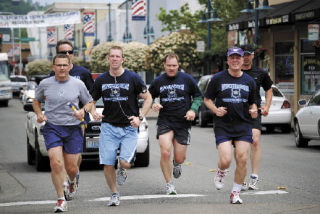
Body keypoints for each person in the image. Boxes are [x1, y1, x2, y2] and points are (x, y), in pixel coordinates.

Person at [89, 46, 152, 206]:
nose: (115, 59)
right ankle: (114, 193)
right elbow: (91, 101)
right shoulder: (101, 80)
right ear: (108, 59)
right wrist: (94, 112)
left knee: (124, 162)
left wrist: (140, 117)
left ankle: (122, 168)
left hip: (129, 127)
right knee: (107, 162)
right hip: (109, 127)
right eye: (112, 56)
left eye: (118, 56)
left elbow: (148, 98)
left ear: (122, 59)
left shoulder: (133, 78)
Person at [32, 54, 93, 212]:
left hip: (73, 128)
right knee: (56, 162)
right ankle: (60, 199)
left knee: (72, 168)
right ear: (53, 67)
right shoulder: (45, 84)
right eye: (58, 65)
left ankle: (72, 181)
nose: (61, 68)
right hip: (53, 127)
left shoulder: (78, 84)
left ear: (70, 66)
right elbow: (36, 101)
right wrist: (39, 114)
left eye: (64, 65)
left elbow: (89, 102)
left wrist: (82, 111)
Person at [204, 47, 258, 204]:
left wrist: (254, 109)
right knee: (226, 159)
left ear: (242, 60)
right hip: (223, 125)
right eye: (232, 57)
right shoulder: (218, 79)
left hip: (243, 125)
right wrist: (215, 109)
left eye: (238, 57)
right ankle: (221, 172)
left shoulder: (249, 81)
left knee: (242, 159)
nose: (235, 60)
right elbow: (207, 99)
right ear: (227, 60)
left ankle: (235, 193)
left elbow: (253, 101)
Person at [148, 53, 202, 195]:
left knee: (179, 157)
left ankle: (177, 164)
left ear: (178, 66)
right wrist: (153, 104)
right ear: (164, 65)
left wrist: (192, 110)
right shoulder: (158, 81)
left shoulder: (187, 79)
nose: (171, 68)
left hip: (183, 122)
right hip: (165, 120)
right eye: (169, 65)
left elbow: (198, 96)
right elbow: (148, 96)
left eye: (174, 65)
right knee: (165, 152)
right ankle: (169, 184)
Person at [50, 39, 94, 195]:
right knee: (61, 154)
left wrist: (87, 110)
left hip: (79, 118)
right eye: (63, 52)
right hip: (59, 120)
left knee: (75, 154)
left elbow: (91, 96)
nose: (67, 55)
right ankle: (65, 182)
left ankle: (74, 175)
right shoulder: (53, 74)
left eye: (70, 52)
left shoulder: (83, 73)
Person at [240, 44, 273, 190]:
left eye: (249, 54)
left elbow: (269, 90)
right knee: (241, 146)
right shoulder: (234, 72)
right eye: (243, 55)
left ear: (253, 56)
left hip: (254, 111)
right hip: (237, 112)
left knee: (254, 141)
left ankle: (254, 177)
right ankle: (241, 176)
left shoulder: (260, 73)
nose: (246, 57)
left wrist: (266, 107)